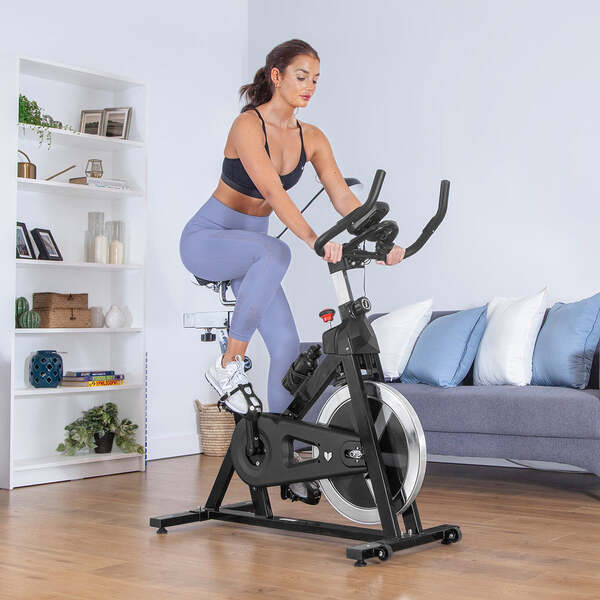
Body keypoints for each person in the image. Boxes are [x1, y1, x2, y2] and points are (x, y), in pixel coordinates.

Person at [180, 38, 405, 427]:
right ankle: (228, 364)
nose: (309, 87)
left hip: (254, 254)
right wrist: (314, 239)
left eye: (315, 79)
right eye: (302, 77)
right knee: (276, 252)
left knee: (287, 347)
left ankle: (283, 446)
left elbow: (342, 196)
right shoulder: (247, 125)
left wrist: (380, 239)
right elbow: (273, 192)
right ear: (276, 76)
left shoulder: (311, 137)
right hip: (208, 240)